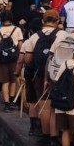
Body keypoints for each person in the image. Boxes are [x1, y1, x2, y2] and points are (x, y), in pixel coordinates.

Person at [19, 10, 61, 139]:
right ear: (58, 21)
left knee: (45, 107)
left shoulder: (34, 37)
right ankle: (58, 138)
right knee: (57, 109)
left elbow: (28, 60)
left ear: (43, 21)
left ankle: (45, 135)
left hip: (40, 75)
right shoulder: (63, 35)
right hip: (61, 76)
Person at [0, 11, 23, 111]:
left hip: (1, 59)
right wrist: (22, 57)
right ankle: (12, 102)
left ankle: (7, 103)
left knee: (5, 81)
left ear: (2, 19)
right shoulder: (17, 29)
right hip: (14, 58)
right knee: (13, 80)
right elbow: (20, 45)